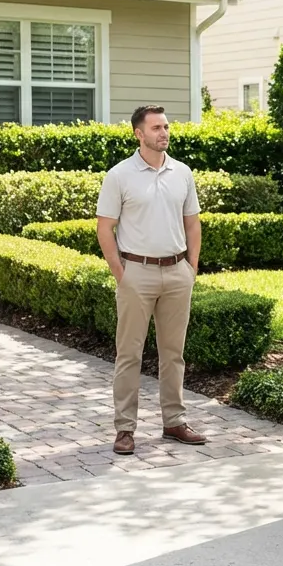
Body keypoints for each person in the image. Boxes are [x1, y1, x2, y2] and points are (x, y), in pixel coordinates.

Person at [96, 104, 207, 457]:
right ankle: (125, 429)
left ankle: (174, 421)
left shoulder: (182, 173)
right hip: (136, 273)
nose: (164, 133)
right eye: (156, 128)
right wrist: (121, 274)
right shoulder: (119, 175)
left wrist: (191, 267)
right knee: (129, 354)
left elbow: (192, 223)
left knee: (173, 354)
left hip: (177, 273)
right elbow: (105, 228)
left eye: (166, 127)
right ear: (138, 134)